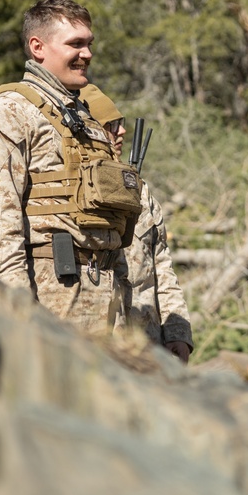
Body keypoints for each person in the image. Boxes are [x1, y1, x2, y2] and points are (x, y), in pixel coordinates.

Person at [0, 0, 141, 336]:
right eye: (75, 44)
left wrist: (124, 296)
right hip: (50, 298)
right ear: (38, 47)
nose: (87, 54)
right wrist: (19, 312)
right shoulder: (10, 111)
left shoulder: (90, 120)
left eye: (89, 44)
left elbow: (111, 220)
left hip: (109, 302)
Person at [79, 84, 194, 363]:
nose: (122, 132)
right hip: (99, 345)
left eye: (121, 123)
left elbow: (161, 265)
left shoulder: (139, 190)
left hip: (151, 344)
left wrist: (177, 332)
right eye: (111, 125)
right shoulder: (74, 192)